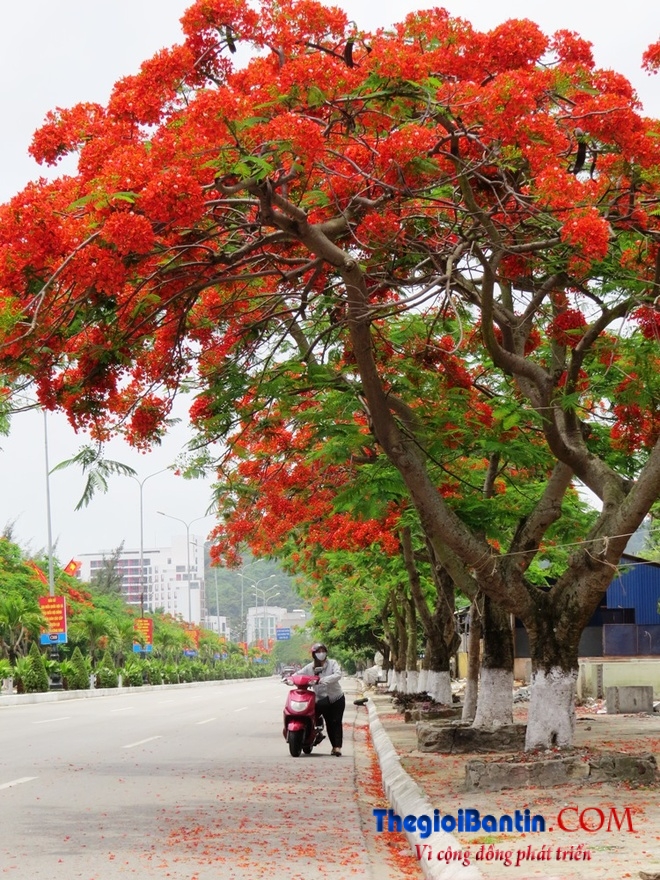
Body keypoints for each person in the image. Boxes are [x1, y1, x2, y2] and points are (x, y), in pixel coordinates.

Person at [299, 642, 345, 756]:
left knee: (336, 722)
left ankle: (337, 747)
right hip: (322, 700)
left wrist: (322, 680)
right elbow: (299, 674)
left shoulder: (332, 663)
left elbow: (338, 675)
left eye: (323, 651)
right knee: (329, 722)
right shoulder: (310, 667)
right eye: (318, 652)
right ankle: (323, 739)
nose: (321, 654)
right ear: (314, 654)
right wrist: (289, 678)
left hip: (336, 697)